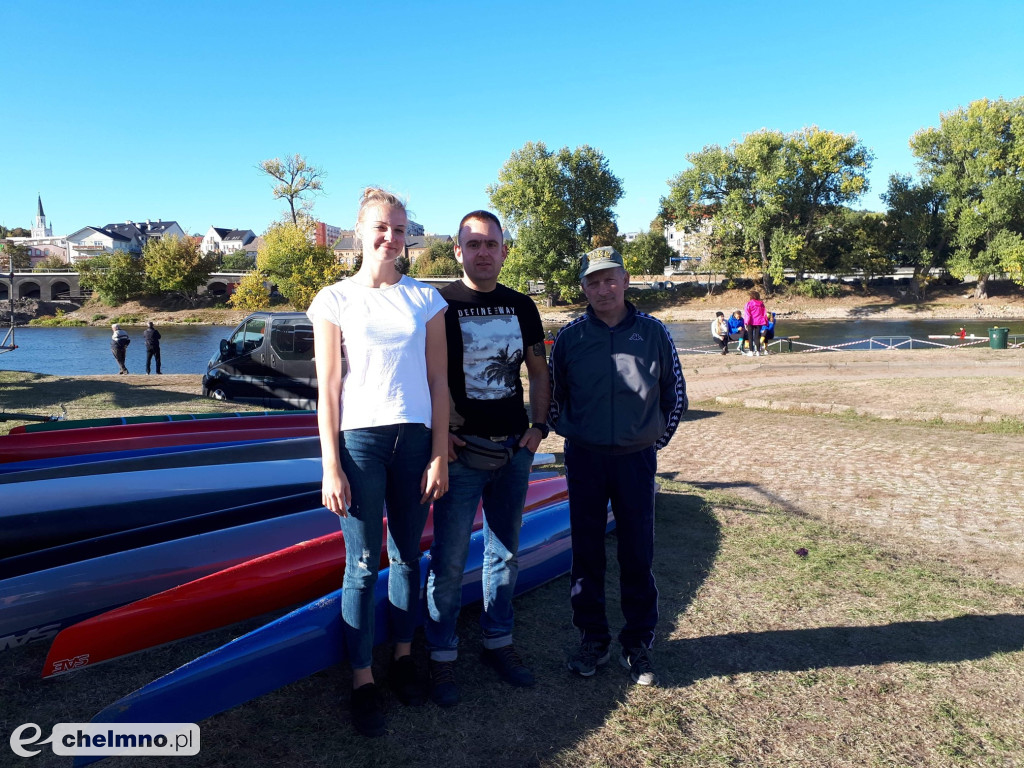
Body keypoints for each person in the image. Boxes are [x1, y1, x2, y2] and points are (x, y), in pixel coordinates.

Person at [306, 187, 449, 738]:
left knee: (408, 557)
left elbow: (438, 384)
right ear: (361, 232)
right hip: (360, 443)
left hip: (413, 442)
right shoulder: (333, 299)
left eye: (399, 228)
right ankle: (363, 678)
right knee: (364, 564)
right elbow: (329, 390)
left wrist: (439, 454)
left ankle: (405, 657)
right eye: (381, 228)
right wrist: (330, 467)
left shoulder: (425, 300)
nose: (391, 237)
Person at [424, 210, 549, 706]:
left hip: (514, 449)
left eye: (490, 243)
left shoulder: (522, 306)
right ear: (458, 250)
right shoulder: (437, 304)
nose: (482, 252)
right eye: (471, 244)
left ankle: (499, 642)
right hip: (459, 454)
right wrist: (441, 436)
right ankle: (441, 656)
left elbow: (538, 371)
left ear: (503, 250)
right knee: (449, 562)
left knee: (505, 554)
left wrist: (539, 428)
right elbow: (422, 375)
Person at [549, 246, 687, 687]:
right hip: (585, 458)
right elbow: (554, 397)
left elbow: (675, 396)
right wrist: (574, 432)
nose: (603, 288)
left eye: (611, 279)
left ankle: (638, 642)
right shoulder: (570, 337)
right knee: (586, 553)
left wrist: (651, 442)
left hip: (635, 460)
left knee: (637, 551)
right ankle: (593, 638)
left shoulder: (653, 332)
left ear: (626, 281)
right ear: (584, 288)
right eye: (594, 281)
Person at [743, 291, 768, 357]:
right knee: (757, 337)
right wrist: (765, 322)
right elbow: (764, 313)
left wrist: (746, 323)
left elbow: (747, 314)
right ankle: (758, 352)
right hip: (759, 322)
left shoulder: (748, 304)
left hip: (751, 321)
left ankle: (751, 351)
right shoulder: (761, 304)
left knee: (750, 337)